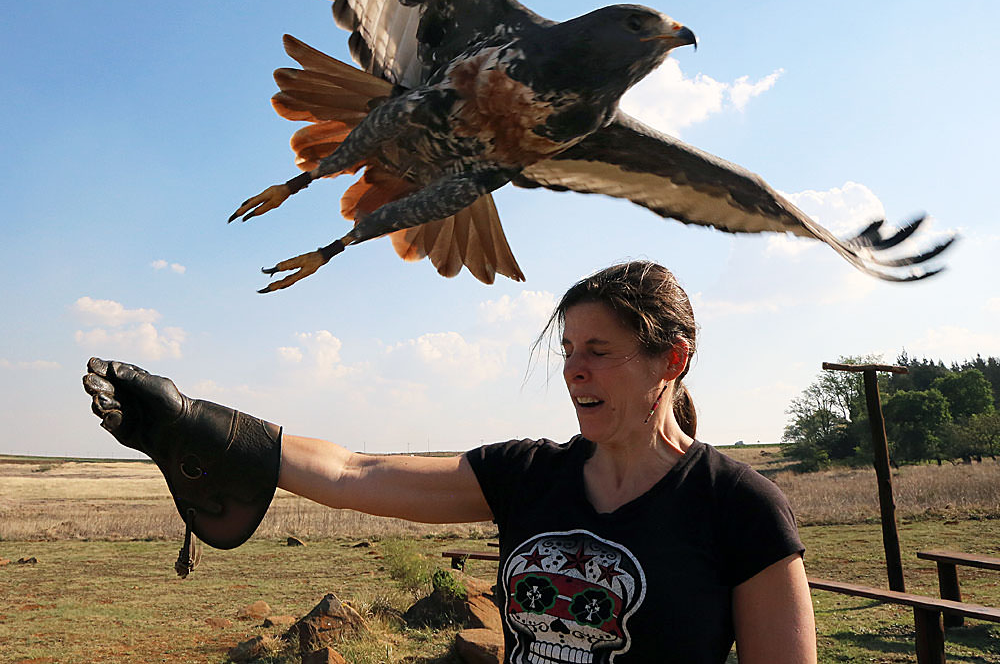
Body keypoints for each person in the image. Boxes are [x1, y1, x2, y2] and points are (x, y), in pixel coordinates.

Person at [83, 260, 816, 663]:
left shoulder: (738, 506)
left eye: (598, 353)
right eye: (567, 352)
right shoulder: (527, 476)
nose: (574, 373)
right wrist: (199, 426)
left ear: (672, 361)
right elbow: (354, 473)